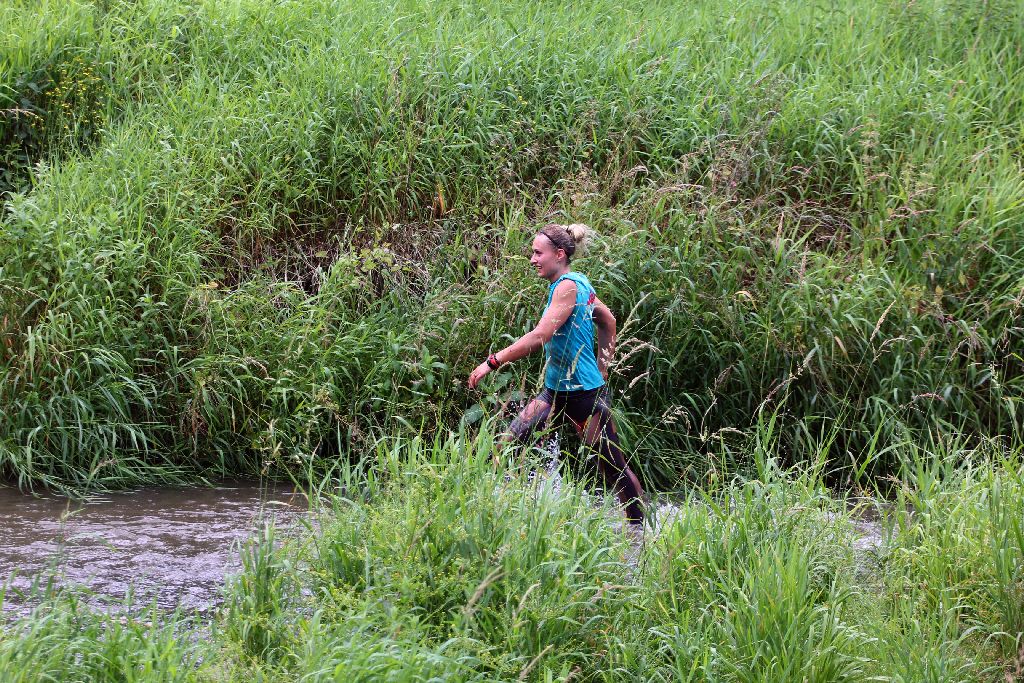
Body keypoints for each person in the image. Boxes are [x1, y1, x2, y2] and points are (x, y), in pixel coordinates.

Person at [468, 223, 646, 528]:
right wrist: (603, 366)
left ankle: (639, 533)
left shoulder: (569, 285)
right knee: (506, 442)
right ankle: (507, 517)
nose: (533, 259)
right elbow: (609, 321)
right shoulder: (574, 284)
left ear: (559, 254)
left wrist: (492, 362)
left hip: (584, 397)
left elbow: (540, 336)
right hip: (554, 392)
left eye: (538, 253)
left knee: (612, 465)